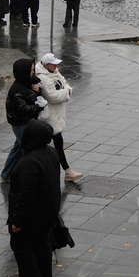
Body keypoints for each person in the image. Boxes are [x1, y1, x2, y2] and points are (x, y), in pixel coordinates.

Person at [7, 120, 59, 277]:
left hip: (30, 220)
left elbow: (25, 196)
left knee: (23, 251)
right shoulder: (51, 152)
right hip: (46, 217)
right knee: (42, 250)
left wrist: (17, 222)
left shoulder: (28, 163)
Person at [35, 53, 82, 181]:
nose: (56, 66)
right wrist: (66, 92)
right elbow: (53, 96)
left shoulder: (54, 72)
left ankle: (67, 171)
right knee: (55, 144)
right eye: (53, 64)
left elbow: (65, 83)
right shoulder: (43, 77)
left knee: (56, 144)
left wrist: (65, 90)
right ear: (46, 65)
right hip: (49, 116)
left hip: (56, 115)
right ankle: (67, 171)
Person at [1, 59, 46, 181]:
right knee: (29, 151)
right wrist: (38, 107)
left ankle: (7, 175)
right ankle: (28, 177)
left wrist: (39, 91)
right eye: (31, 70)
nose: (33, 72)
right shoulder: (17, 90)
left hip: (27, 122)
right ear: (24, 72)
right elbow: (23, 109)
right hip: (21, 124)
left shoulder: (27, 83)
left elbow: (34, 93)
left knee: (17, 150)